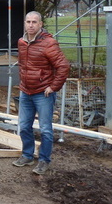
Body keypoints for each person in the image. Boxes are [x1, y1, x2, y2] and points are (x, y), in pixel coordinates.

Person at [13, 11, 70, 175]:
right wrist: (23, 82)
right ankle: (27, 155)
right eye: (28, 22)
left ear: (40, 24)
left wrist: (53, 87)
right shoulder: (22, 42)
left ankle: (44, 160)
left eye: (34, 22)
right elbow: (23, 66)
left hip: (43, 93)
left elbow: (63, 66)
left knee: (45, 129)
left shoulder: (49, 43)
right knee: (24, 126)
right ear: (24, 23)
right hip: (26, 91)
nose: (31, 25)